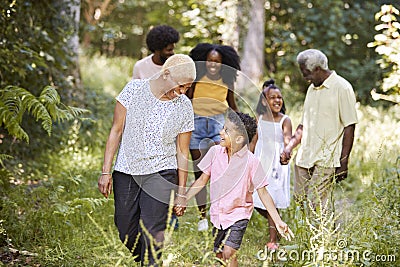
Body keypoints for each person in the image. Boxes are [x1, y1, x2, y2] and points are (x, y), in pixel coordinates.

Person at [98, 54, 196, 266]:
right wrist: (106, 171)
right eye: (180, 86)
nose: (182, 92)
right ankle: (145, 259)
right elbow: (116, 131)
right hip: (127, 170)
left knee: (152, 232)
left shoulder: (184, 105)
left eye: (187, 88)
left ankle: (151, 262)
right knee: (125, 229)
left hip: (162, 171)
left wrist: (181, 193)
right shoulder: (134, 90)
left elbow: (182, 151)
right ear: (166, 73)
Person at [176, 111, 294, 267]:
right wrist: (184, 197)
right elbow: (202, 179)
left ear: (239, 138)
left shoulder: (252, 162)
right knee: (219, 255)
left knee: (229, 252)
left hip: (239, 214)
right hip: (218, 214)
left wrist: (278, 221)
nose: (220, 132)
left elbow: (263, 193)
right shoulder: (214, 152)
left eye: (226, 130)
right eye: (223, 128)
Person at [280, 49, 358, 214]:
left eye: (306, 73)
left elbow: (349, 126)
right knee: (300, 201)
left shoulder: (342, 88)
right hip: (305, 157)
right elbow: (304, 124)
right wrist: (289, 147)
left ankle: (325, 238)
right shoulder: (312, 89)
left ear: (317, 69)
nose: (304, 77)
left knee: (316, 203)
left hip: (326, 158)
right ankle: (308, 237)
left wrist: (344, 162)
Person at [186, 43, 241, 231]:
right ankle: (202, 217)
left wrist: (244, 125)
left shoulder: (227, 81)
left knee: (218, 172)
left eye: (217, 62)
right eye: (209, 61)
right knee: (199, 172)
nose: (213, 64)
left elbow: (233, 106)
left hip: (217, 126)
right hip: (196, 124)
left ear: (223, 63)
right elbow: (187, 100)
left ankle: (219, 214)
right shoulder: (197, 78)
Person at [132, 24, 181, 230]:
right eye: (168, 49)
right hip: (148, 127)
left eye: (173, 47)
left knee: (172, 168)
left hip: (171, 124)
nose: (172, 52)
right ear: (157, 48)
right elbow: (135, 95)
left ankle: (171, 211)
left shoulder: (177, 65)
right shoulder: (141, 67)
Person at [250, 79, 292, 251]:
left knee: (271, 200)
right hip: (260, 162)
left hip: (276, 166)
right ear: (264, 101)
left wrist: (287, 154)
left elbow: (288, 143)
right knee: (255, 199)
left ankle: (273, 241)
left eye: (280, 98)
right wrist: (246, 160)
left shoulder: (285, 120)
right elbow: (253, 142)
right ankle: (277, 221)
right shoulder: (259, 118)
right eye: (272, 97)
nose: (277, 101)